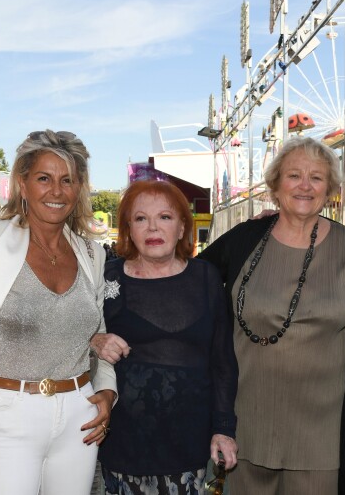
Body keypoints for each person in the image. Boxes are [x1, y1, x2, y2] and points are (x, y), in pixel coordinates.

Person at [0, 130, 117, 495]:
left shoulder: (92, 254)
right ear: (22, 183)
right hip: (7, 411)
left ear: (79, 188)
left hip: (80, 413)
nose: (56, 191)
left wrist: (107, 391)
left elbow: (99, 333)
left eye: (67, 180)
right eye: (44, 179)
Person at [200, 136, 345, 494]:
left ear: (330, 189)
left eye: (316, 178)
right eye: (294, 176)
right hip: (245, 425)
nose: (305, 186)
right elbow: (190, 286)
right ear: (275, 186)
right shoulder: (245, 238)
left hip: (322, 432)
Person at [91, 180, 238, 495]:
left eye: (165, 217)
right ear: (129, 229)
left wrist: (223, 429)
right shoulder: (107, 278)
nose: (152, 227)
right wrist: (96, 340)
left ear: (182, 227)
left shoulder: (206, 278)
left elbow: (223, 360)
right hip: (124, 443)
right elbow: (72, 329)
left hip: (190, 444)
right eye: (141, 218)